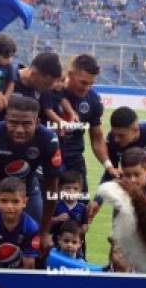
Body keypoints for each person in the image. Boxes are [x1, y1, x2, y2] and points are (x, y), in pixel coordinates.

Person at [0, 95, 62, 251]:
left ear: (37, 122)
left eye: (27, 124)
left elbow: (51, 187)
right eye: (13, 123)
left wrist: (45, 231)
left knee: (36, 246)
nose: (20, 130)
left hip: (28, 189)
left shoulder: (49, 140)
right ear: (6, 120)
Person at [48, 55, 113, 197]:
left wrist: (108, 165)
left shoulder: (93, 100)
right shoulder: (49, 90)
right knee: (47, 208)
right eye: (83, 82)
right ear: (70, 74)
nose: (87, 88)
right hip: (46, 159)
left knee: (78, 210)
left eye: (91, 84)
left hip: (74, 162)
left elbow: (97, 138)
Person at [0, 177, 41, 269]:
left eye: (15, 201)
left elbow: (29, 263)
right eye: (4, 201)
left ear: (24, 202)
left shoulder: (31, 227)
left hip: (20, 271)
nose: (9, 206)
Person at [49, 171, 89, 249]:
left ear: (80, 191)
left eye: (75, 189)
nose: (71, 191)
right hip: (56, 244)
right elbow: (46, 222)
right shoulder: (55, 205)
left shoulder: (82, 208)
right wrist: (57, 219)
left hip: (74, 246)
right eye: (67, 188)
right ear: (60, 189)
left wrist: (79, 229)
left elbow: (85, 225)